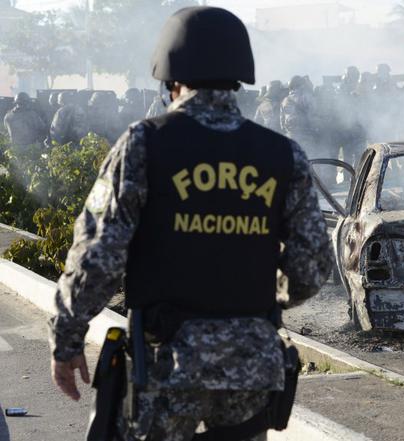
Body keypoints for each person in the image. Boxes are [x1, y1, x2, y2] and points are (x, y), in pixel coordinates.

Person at [48, 7, 333, 440]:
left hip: (167, 364)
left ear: (170, 78)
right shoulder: (283, 154)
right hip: (252, 369)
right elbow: (311, 269)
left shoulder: (144, 144)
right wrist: (255, 310)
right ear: (238, 76)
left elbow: (98, 255)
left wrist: (67, 338)